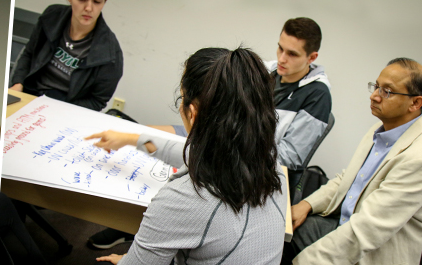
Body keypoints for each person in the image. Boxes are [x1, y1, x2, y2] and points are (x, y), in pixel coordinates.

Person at [88, 17, 332, 250]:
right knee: (159, 156)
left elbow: (288, 157)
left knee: (176, 193)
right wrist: (137, 134)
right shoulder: (264, 72)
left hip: (259, 176)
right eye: (280, 48)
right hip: (226, 150)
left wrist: (231, 139)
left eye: (292, 54)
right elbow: (219, 119)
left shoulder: (317, 96)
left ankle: (139, 228)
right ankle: (133, 225)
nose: (281, 58)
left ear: (312, 57)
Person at [90, 47, 288, 264]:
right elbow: (180, 152)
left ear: (192, 114)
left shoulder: (184, 199)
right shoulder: (270, 162)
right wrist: (131, 139)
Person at [289, 58, 422, 264]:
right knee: (281, 233)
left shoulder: (417, 159)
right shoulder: (380, 129)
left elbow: (367, 229)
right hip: (342, 225)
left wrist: (303, 262)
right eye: (376, 86)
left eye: (387, 91)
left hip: (373, 251)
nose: (374, 96)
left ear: (415, 103)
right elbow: (348, 178)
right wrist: (306, 204)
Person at [9, 0, 123, 111]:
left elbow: (96, 101)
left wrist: (60, 108)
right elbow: (29, 53)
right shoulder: (51, 16)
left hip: (65, 108)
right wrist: (18, 84)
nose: (89, 8)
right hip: (30, 93)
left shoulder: (111, 54)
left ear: (104, 2)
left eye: (97, 1)